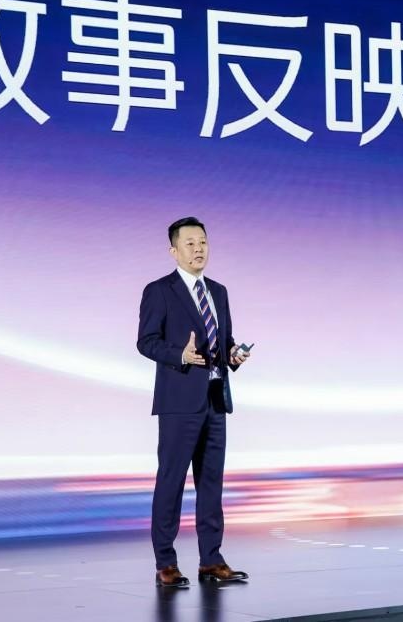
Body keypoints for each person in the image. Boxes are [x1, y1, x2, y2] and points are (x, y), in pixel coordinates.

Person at [136, 216, 251, 588]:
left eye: (203, 242)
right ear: (174, 251)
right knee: (171, 481)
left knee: (212, 483)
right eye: (190, 243)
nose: (198, 249)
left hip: (215, 399)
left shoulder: (218, 291)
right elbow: (146, 341)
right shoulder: (160, 291)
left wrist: (233, 354)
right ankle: (166, 562)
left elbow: (223, 341)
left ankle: (211, 559)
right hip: (179, 402)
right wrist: (180, 355)